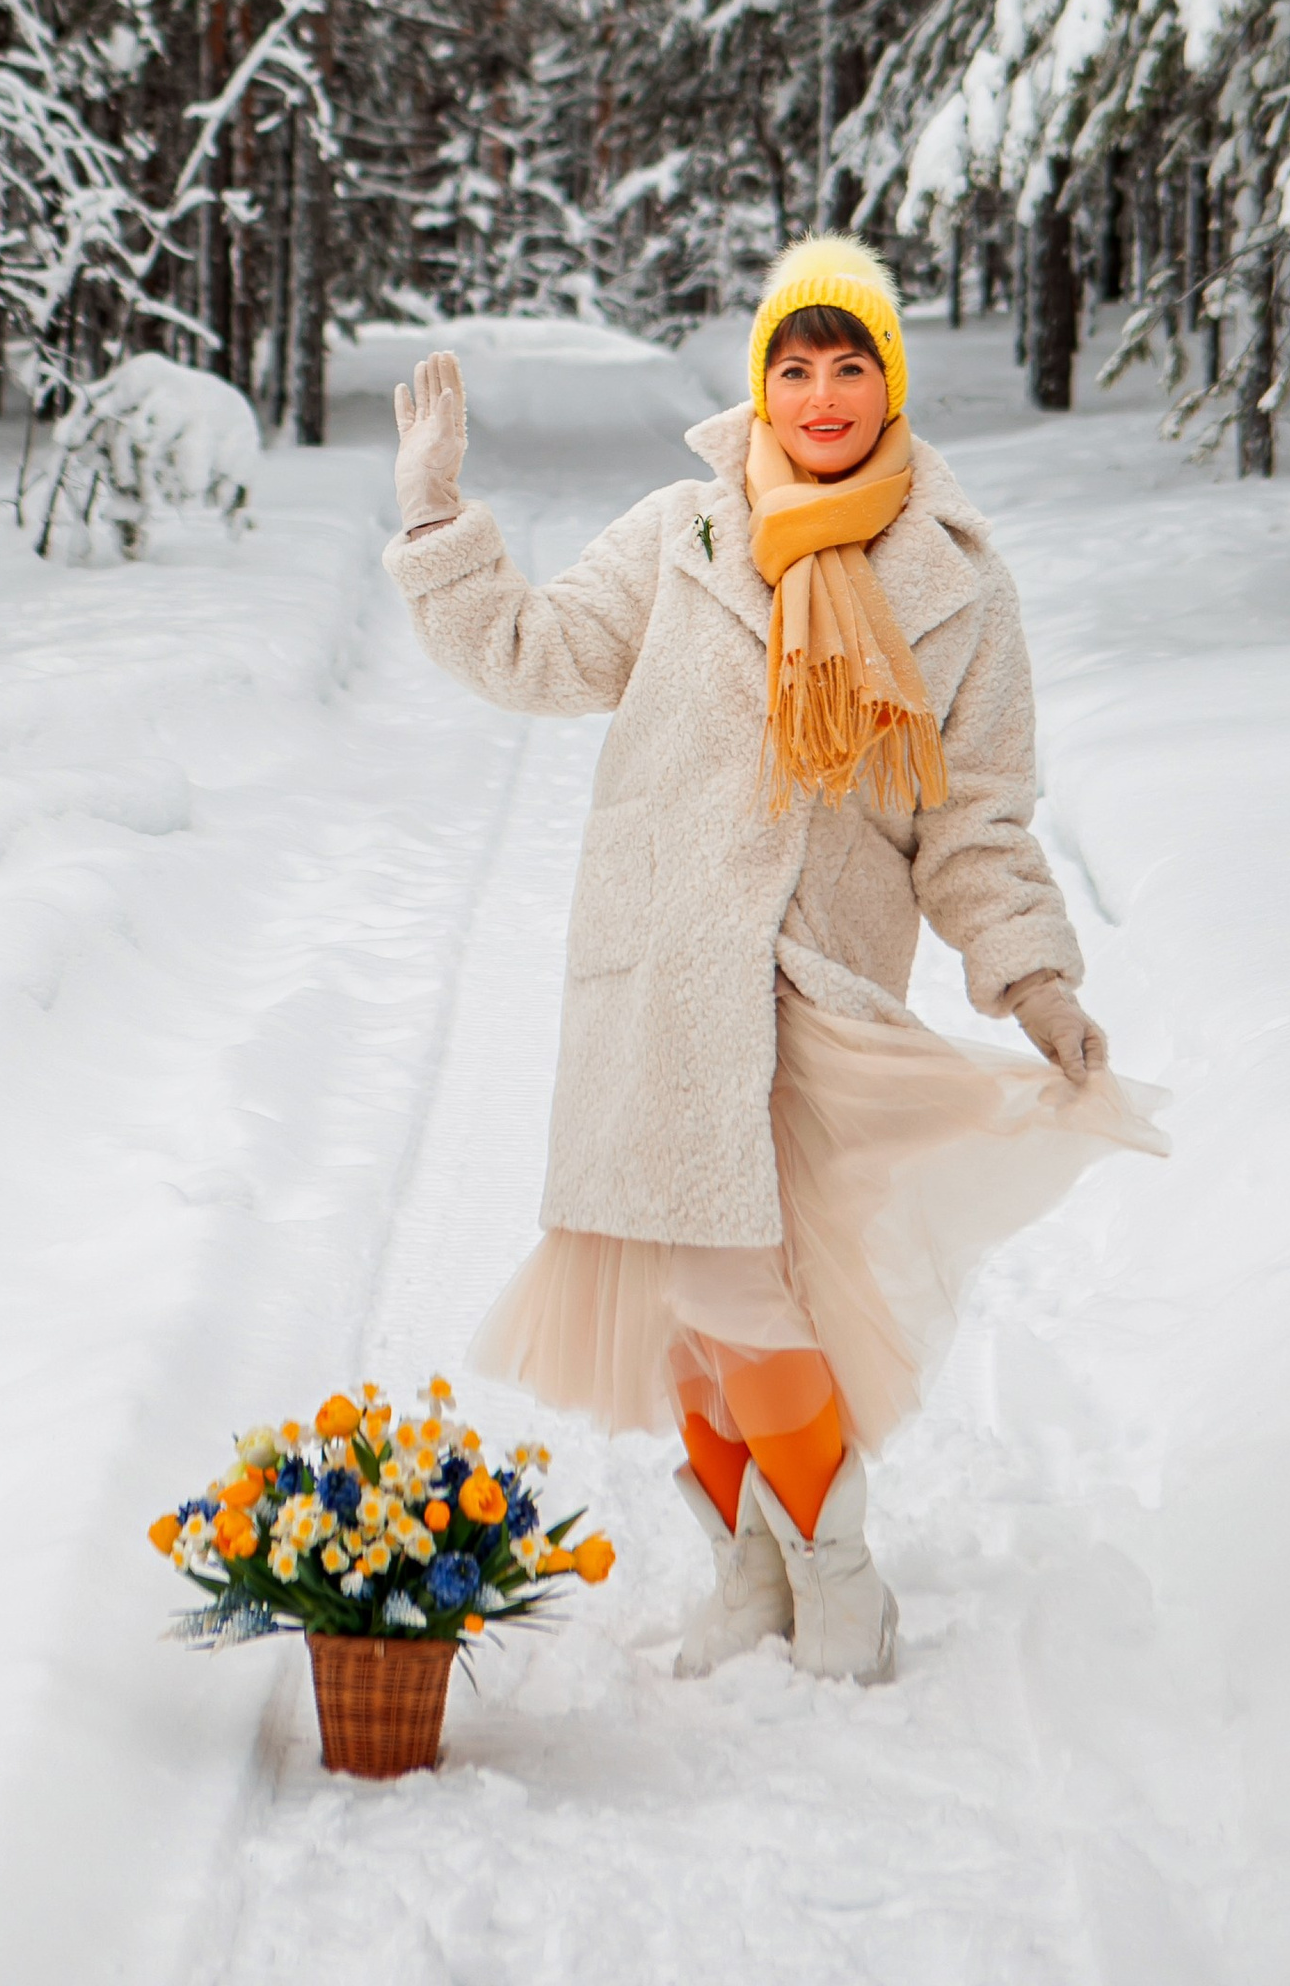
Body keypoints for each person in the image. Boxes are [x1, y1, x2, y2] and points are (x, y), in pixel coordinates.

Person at [385, 236, 1162, 1683]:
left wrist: (1035, 977)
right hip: (664, 970)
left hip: (816, 984)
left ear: (890, 383)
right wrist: (440, 522)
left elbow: (977, 816)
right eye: (792, 368)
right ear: (761, 384)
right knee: (697, 1304)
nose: (820, 395)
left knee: (740, 1291)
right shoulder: (683, 535)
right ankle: (758, 1568)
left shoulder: (960, 584)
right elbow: (537, 653)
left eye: (849, 364)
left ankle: (835, 1574)